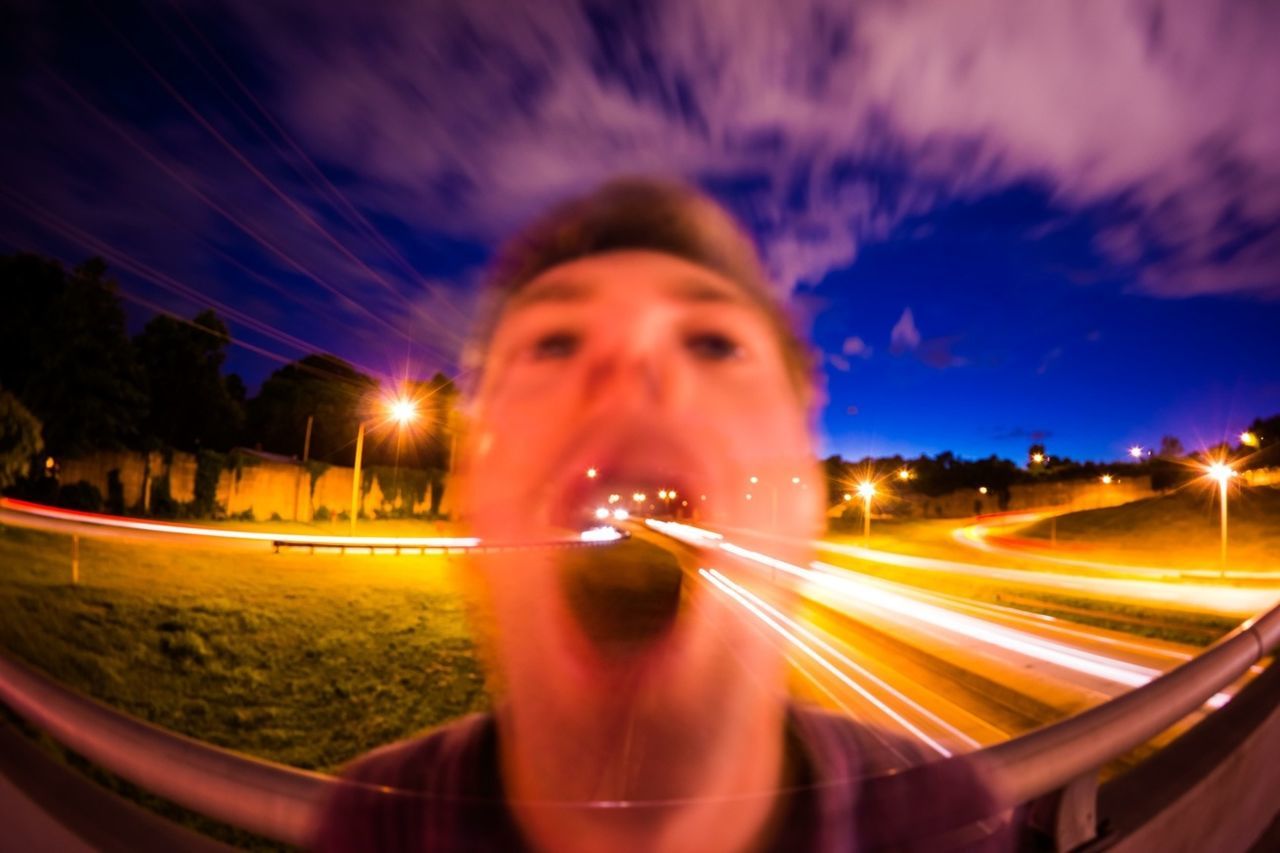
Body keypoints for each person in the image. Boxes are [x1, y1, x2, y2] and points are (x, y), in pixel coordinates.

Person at [313, 178, 1014, 852]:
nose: (633, 369)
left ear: (807, 498)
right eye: (554, 341)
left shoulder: (950, 820)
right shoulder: (372, 818)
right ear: (472, 496)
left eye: (713, 340)